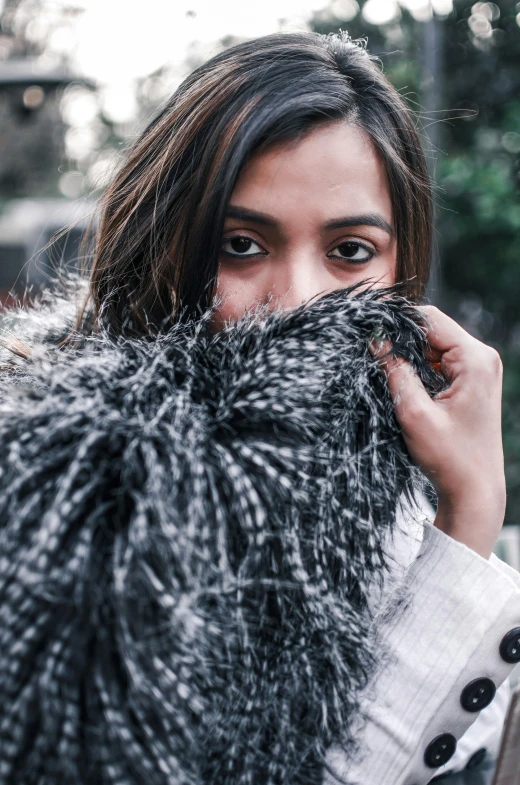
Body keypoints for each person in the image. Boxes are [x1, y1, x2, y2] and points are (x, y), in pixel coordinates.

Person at [1, 30, 519, 785]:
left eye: (350, 252)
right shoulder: (68, 493)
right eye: (241, 244)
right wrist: (470, 519)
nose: (297, 301)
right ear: (164, 244)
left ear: (402, 265)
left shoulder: (389, 489)